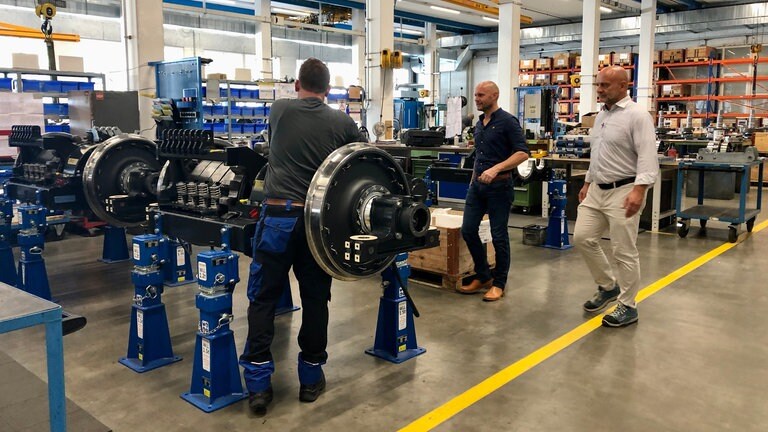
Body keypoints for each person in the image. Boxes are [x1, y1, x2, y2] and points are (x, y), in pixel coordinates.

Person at [239, 58, 365, 416]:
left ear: (297, 84)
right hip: (316, 225)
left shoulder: (279, 110)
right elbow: (361, 154)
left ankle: (259, 388)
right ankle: (310, 379)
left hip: (277, 218)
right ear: (328, 89)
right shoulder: (341, 120)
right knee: (314, 299)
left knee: (263, 300)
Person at [573, 65, 659, 327]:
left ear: (624, 86)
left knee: (623, 250)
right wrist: (588, 181)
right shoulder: (601, 115)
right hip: (597, 189)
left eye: (605, 85)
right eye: (598, 85)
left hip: (624, 190)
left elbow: (647, 156)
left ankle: (628, 306)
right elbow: (598, 153)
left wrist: (639, 190)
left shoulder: (637, 115)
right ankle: (608, 286)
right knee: (582, 238)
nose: (599, 90)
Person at [456, 81, 529, 301]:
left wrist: (496, 168)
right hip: (477, 187)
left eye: (481, 95)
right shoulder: (479, 123)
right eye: (476, 95)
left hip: (499, 187)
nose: (476, 98)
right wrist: (472, 180)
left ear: (494, 96)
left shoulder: (508, 122)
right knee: (468, 230)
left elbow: (523, 153)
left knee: (498, 236)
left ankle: (499, 283)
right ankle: (483, 275)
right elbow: (480, 154)